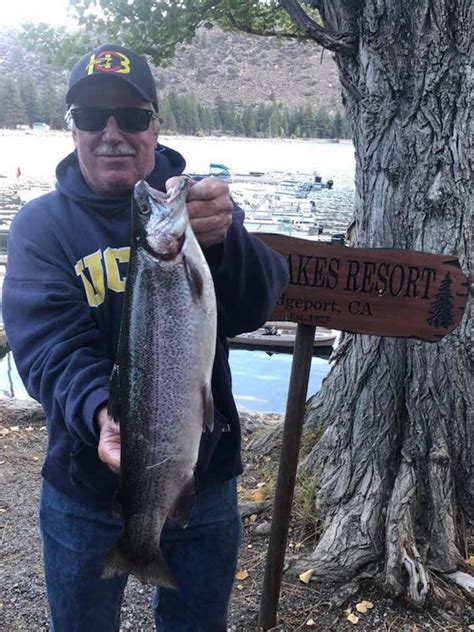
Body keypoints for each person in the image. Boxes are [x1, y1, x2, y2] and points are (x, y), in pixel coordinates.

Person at [2, 44, 289, 632]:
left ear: (155, 126)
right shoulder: (40, 227)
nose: (113, 133)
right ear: (72, 128)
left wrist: (228, 239)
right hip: (83, 484)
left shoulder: (200, 213)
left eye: (132, 117)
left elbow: (257, 302)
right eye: (92, 117)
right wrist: (100, 413)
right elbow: (49, 349)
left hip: (202, 478)